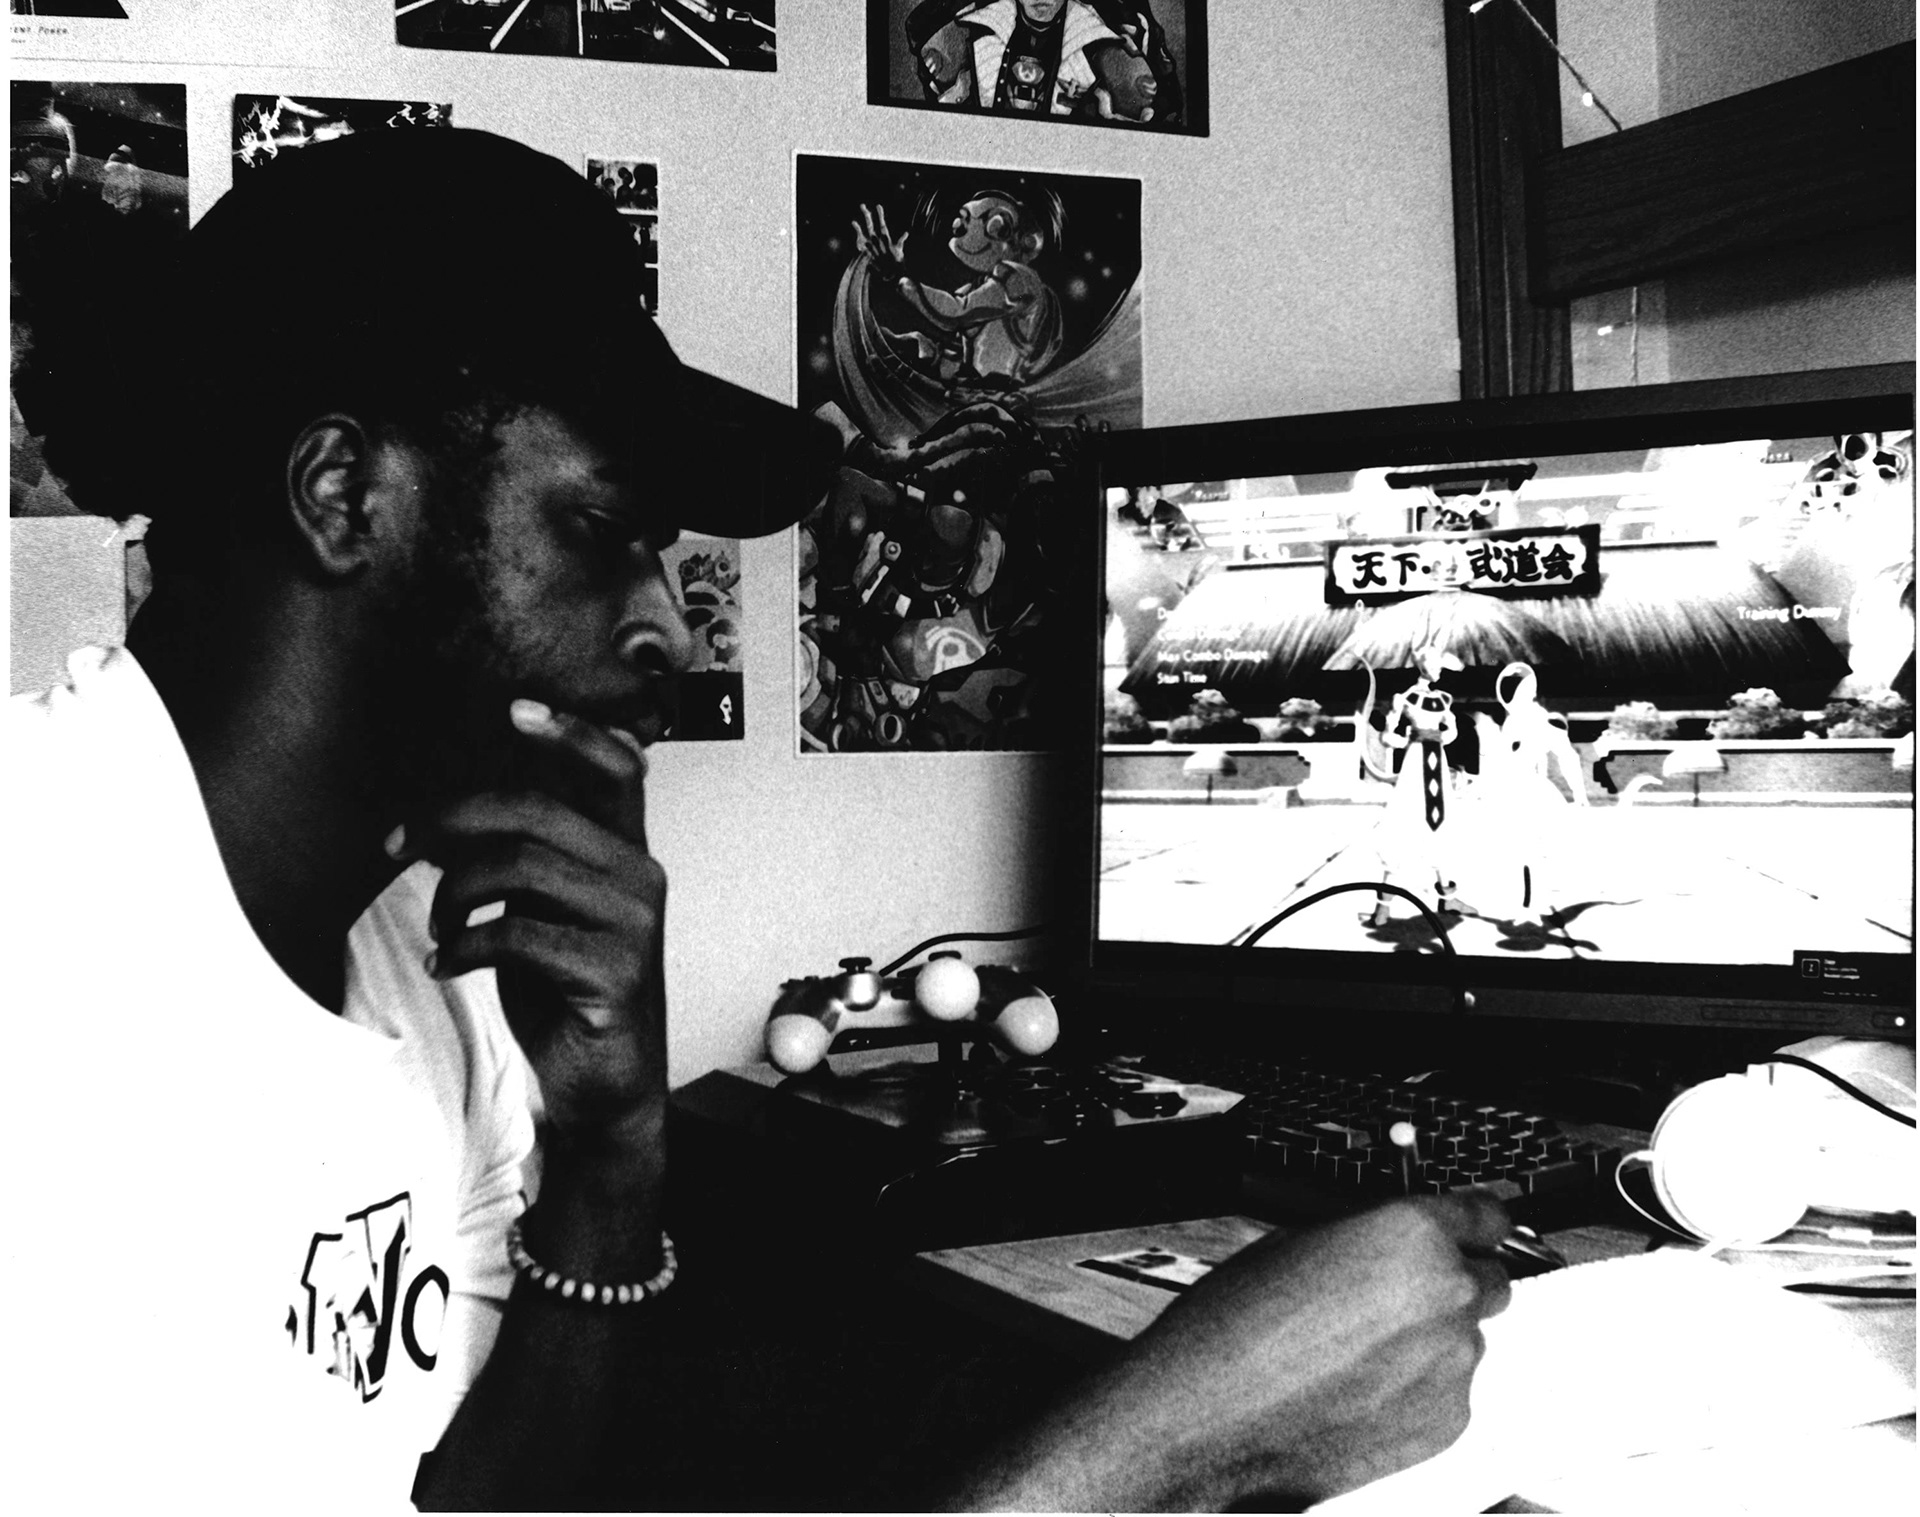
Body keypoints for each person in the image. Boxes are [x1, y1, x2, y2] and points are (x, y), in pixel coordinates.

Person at [7, 126, 1510, 1512]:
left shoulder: (424, 944)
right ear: (344, 495)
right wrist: (1156, 1456)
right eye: (608, 531)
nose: (670, 629)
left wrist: (609, 1151)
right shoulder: (42, 967)